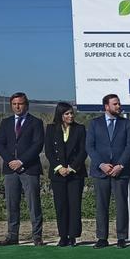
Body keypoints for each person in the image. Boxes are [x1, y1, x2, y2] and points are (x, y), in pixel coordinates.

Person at [85, 94, 130, 248]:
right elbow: (90, 146)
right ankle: (102, 237)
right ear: (106, 106)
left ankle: (121, 237)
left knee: (121, 204)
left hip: (121, 171)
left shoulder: (126, 124)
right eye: (115, 104)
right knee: (101, 205)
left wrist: (120, 165)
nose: (118, 106)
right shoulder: (95, 124)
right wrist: (101, 164)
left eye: (119, 103)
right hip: (101, 171)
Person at [0, 92, 45, 246]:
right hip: (10, 169)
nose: (17, 106)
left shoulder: (36, 122)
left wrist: (21, 161)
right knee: (11, 203)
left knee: (33, 203)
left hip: (29, 168)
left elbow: (37, 145)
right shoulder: (6, 122)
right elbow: (0, 144)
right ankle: (12, 235)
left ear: (26, 104)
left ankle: (37, 236)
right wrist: (11, 161)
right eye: (14, 104)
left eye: (20, 103)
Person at [44, 102, 87, 247]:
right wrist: (59, 167)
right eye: (67, 114)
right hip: (58, 174)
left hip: (75, 173)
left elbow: (83, 151)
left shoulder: (80, 129)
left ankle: (73, 236)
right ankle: (63, 236)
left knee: (74, 205)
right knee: (61, 205)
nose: (70, 116)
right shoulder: (51, 129)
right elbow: (49, 151)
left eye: (71, 113)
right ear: (60, 115)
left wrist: (71, 167)